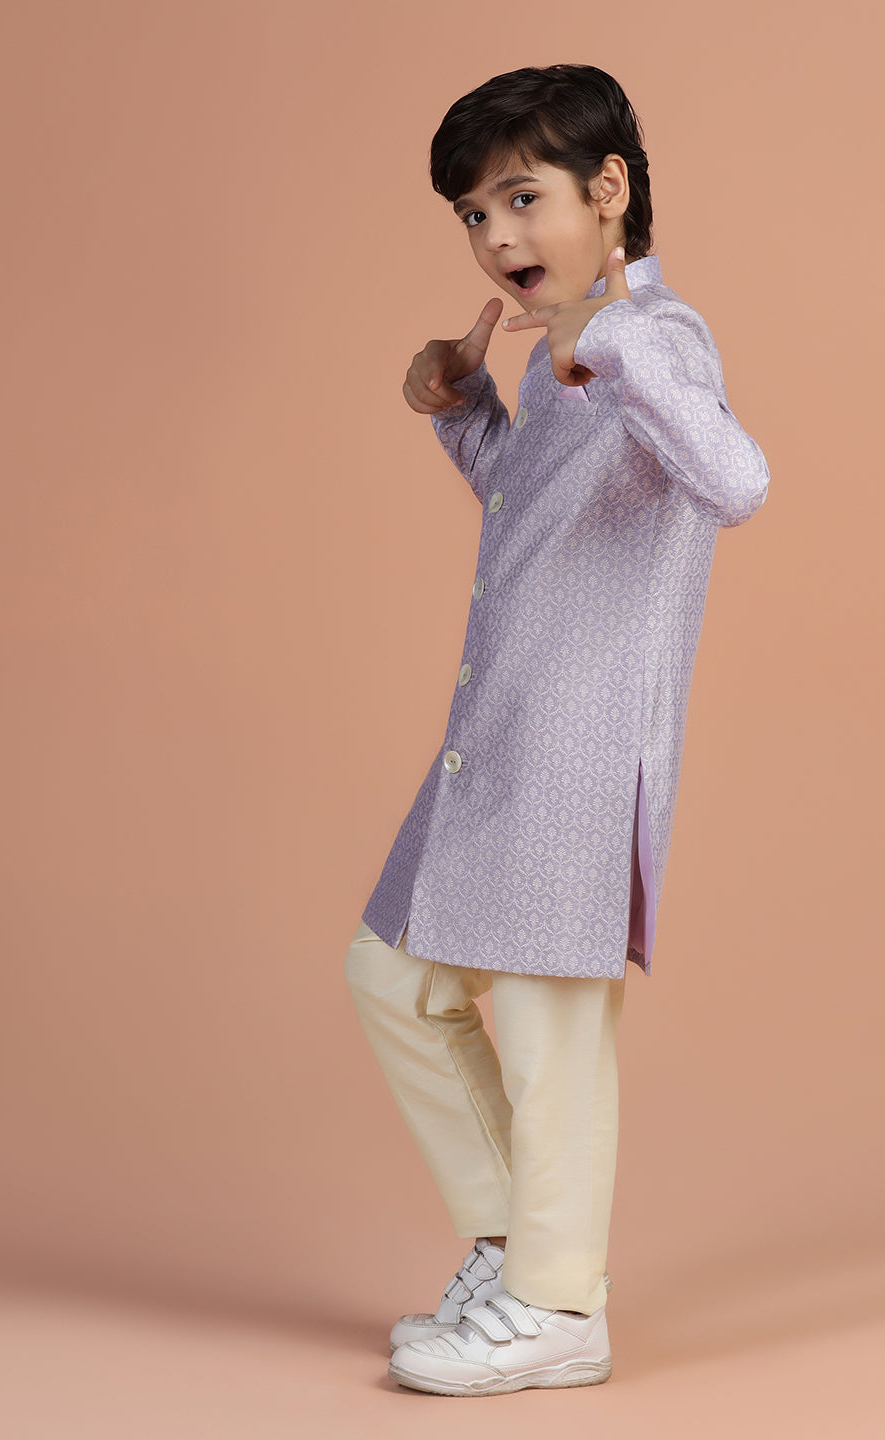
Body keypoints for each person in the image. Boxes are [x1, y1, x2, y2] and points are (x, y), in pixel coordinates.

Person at [343, 63, 771, 1397]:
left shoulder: (660, 336)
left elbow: (735, 480)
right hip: (499, 738)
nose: (498, 237)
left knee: (549, 1038)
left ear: (609, 190)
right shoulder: (561, 354)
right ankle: (513, 1250)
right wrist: (466, 407)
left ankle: (557, 1307)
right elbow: (533, 514)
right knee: (393, 977)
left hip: (578, 756)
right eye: (475, 215)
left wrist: (618, 346)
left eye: (523, 198)